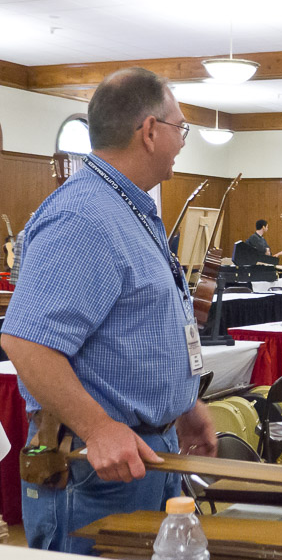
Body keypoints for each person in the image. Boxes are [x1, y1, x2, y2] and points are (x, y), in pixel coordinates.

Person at [0, 67, 217, 554]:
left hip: (143, 456)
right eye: (180, 127)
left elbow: (138, 331)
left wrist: (184, 407)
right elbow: (26, 341)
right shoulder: (84, 217)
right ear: (149, 131)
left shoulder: (128, 209)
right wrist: (99, 427)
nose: (183, 140)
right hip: (97, 471)